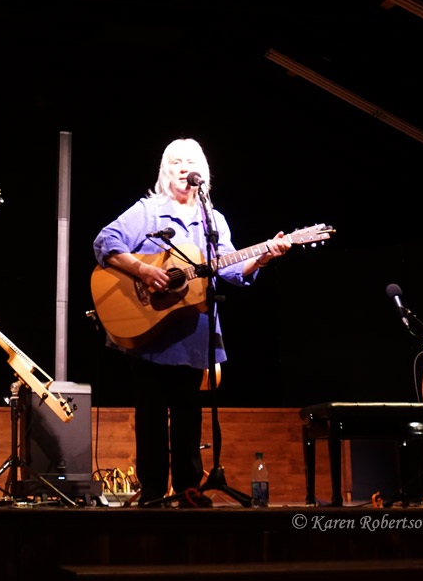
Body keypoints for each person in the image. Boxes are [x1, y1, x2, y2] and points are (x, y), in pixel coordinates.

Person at [92, 138, 291, 506]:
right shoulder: (149, 211)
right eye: (176, 162)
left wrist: (264, 256)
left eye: (191, 162)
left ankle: (188, 490)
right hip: (147, 330)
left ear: (203, 172)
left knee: (188, 416)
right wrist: (142, 271)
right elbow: (105, 242)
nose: (184, 168)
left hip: (193, 334)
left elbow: (232, 270)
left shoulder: (213, 220)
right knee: (151, 416)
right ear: (165, 171)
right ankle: (152, 493)